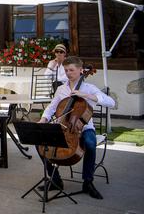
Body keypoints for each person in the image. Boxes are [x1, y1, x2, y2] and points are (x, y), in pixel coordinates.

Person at [38, 56, 115, 199]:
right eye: (66, 70)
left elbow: (111, 103)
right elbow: (52, 107)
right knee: (41, 144)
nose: (68, 73)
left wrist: (86, 95)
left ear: (81, 70)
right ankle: (55, 181)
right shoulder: (61, 89)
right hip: (62, 126)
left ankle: (88, 182)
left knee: (90, 144)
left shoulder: (89, 88)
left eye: (71, 70)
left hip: (84, 128)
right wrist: (43, 119)